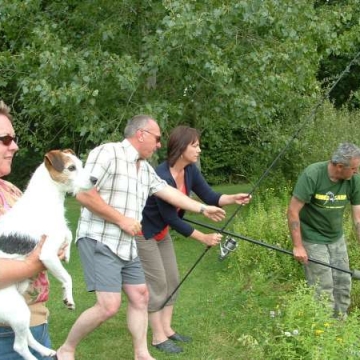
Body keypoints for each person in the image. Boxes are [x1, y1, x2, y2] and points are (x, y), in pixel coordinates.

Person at [57, 115, 226, 360]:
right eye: (157, 139)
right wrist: (121, 219)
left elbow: (168, 192)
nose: (159, 145)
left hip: (127, 244)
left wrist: (202, 208)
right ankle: (66, 349)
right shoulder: (108, 153)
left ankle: (142, 354)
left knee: (140, 295)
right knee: (109, 306)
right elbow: (83, 195)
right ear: (141, 134)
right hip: (100, 238)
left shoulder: (143, 168)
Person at [136, 125, 251, 354]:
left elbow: (210, 196)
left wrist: (232, 198)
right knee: (158, 284)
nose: (199, 150)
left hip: (162, 232)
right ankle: (158, 337)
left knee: (173, 279)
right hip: (144, 233)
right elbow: (172, 217)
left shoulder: (190, 171)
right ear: (181, 148)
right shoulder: (160, 175)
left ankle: (167, 329)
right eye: (195, 145)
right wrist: (203, 237)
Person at [0, 100, 53, 359]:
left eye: (14, 138)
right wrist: (38, 262)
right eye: (5, 139)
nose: (14, 146)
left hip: (35, 321)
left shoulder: (11, 191)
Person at [287, 142, 360, 318]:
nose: (357, 172)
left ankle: (340, 328)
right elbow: (292, 211)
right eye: (354, 169)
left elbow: (358, 218)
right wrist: (298, 246)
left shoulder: (354, 180)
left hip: (336, 238)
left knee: (343, 283)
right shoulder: (313, 175)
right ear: (340, 166)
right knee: (323, 287)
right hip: (312, 238)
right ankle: (323, 331)